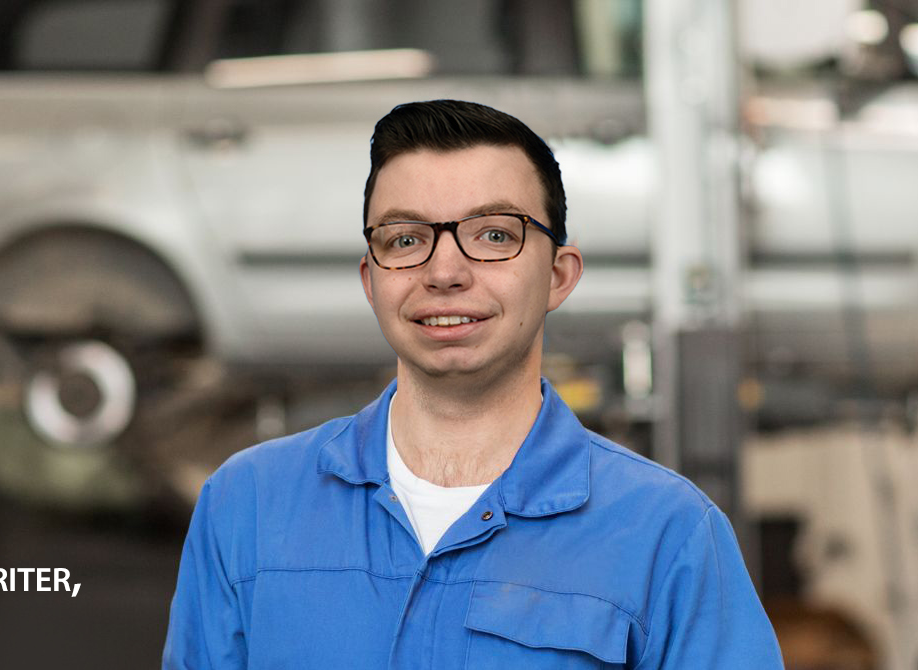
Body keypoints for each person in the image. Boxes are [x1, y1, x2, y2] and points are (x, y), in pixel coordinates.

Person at [164, 100, 783, 668]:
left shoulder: (665, 533)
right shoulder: (247, 506)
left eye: (493, 235)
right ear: (370, 279)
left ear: (559, 276)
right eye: (405, 240)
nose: (444, 271)